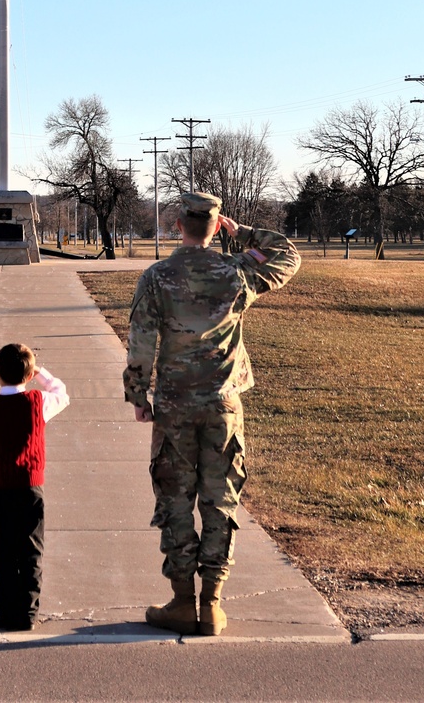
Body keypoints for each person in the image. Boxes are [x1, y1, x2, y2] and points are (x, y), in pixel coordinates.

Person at [124, 192, 300, 637]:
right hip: (223, 404)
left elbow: (141, 339)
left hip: (174, 406)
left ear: (178, 223)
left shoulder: (158, 277)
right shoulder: (237, 271)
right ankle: (212, 605)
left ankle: (183, 601)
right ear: (216, 225)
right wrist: (241, 233)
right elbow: (287, 255)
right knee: (221, 500)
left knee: (175, 499)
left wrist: (138, 396)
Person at [0, 343, 69, 631]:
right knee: (30, 550)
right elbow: (61, 394)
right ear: (29, 376)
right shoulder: (38, 403)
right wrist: (42, 374)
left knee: (1, 551)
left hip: (0, 488)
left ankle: (6, 609)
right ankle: (27, 611)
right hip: (30, 488)